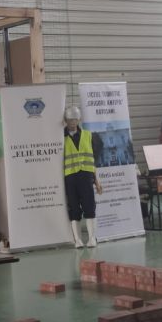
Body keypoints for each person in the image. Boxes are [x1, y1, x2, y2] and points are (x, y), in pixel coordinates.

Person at [64, 105, 103, 248]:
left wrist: (97, 181)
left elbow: (93, 160)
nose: (72, 122)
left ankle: (92, 238)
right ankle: (78, 240)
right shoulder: (60, 138)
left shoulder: (88, 135)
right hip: (70, 177)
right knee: (74, 208)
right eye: (70, 120)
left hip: (86, 176)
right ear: (65, 120)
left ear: (79, 119)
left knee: (89, 206)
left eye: (75, 119)